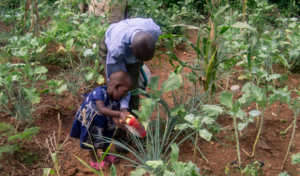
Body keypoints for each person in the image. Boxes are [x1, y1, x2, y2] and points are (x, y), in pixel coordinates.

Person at [99, 18, 162, 153]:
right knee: (117, 92)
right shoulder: (116, 49)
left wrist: (138, 63)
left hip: (133, 44)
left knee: (133, 90)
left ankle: (135, 132)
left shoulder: (154, 31)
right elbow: (118, 85)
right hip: (110, 47)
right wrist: (123, 109)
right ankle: (119, 138)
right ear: (131, 49)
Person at [69, 70, 133, 170]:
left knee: (106, 137)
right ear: (116, 86)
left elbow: (113, 116)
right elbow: (102, 109)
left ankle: (104, 155)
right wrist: (121, 113)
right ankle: (94, 160)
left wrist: (119, 123)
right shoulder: (99, 92)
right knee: (91, 140)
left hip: (104, 121)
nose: (125, 95)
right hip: (91, 120)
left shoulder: (116, 99)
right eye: (125, 91)